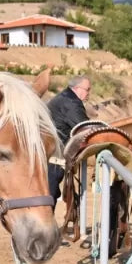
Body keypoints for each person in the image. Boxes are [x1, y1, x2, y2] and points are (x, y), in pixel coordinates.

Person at [46, 74, 91, 209]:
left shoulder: (63, 98)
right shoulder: (71, 103)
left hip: (50, 152)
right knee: (50, 192)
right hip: (56, 155)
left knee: (50, 191)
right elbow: (84, 128)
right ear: (77, 88)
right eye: (87, 89)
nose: (89, 93)